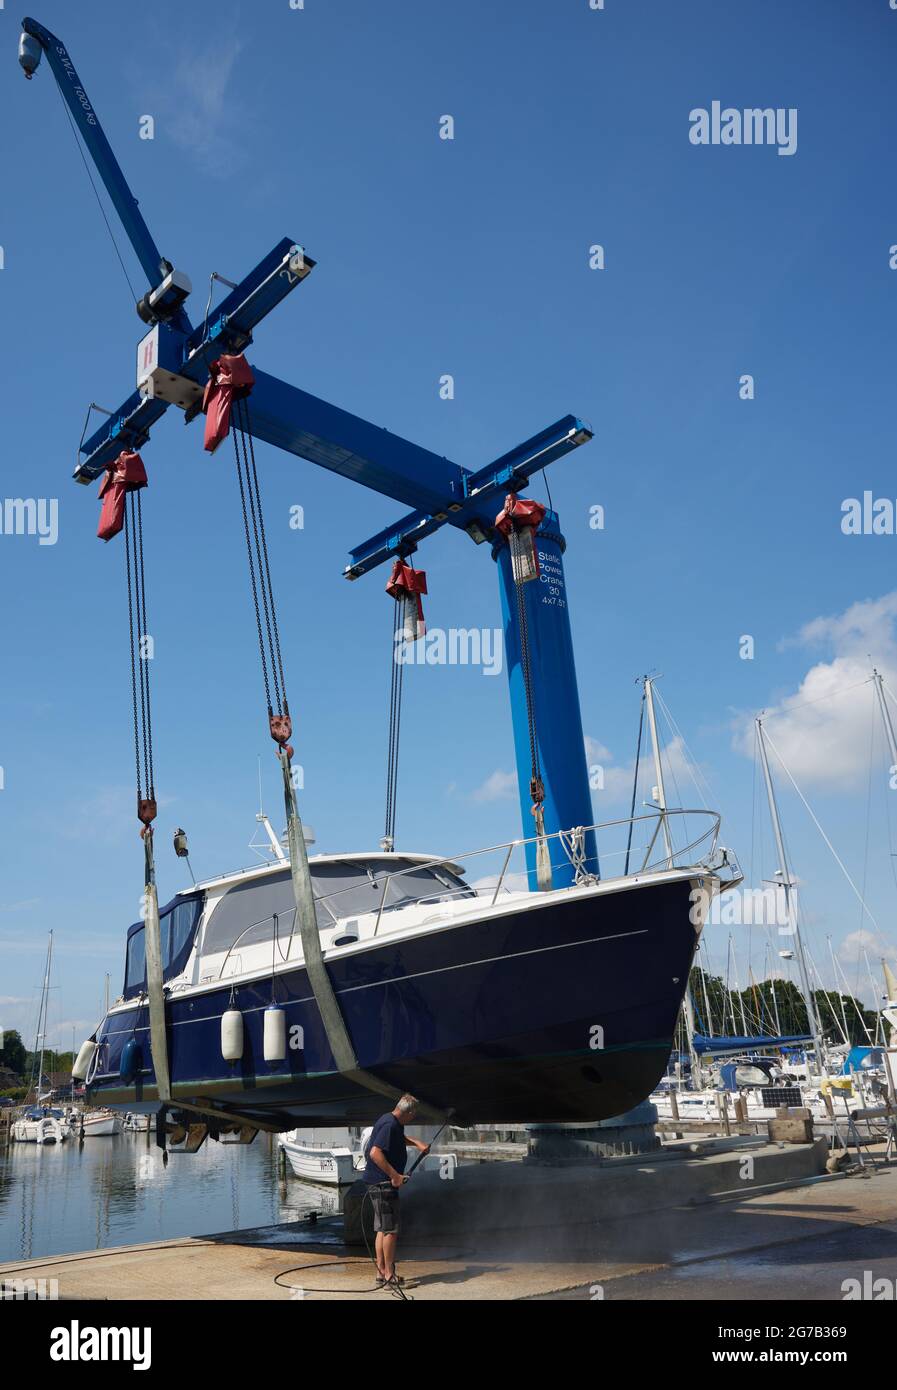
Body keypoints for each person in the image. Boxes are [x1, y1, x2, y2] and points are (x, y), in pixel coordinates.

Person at [361, 1094, 430, 1287]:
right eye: (413, 1115)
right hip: (383, 1185)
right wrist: (395, 1176)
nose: (413, 1118)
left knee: (382, 1229)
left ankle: (381, 1273)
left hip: (376, 1183)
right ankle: (389, 1276)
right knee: (390, 1230)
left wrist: (417, 1143)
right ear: (407, 1112)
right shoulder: (390, 1125)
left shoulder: (388, 1119)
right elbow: (375, 1153)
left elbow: (397, 1139)